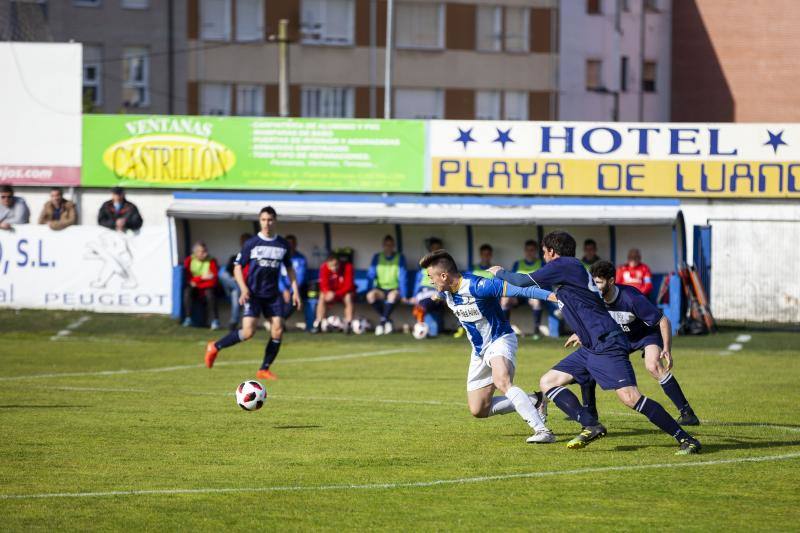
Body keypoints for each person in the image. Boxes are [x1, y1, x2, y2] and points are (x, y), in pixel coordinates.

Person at [490, 231, 701, 455]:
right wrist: (580, 332)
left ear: (552, 252)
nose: (544, 257)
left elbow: (523, 280)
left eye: (544, 252)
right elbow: (542, 293)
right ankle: (591, 424)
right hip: (591, 346)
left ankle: (685, 439)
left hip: (607, 344)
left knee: (630, 398)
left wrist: (499, 272)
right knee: (548, 381)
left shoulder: (566, 264)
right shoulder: (567, 277)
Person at [419, 249, 556, 444]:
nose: (430, 281)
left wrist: (555, 298)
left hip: (500, 340)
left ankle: (542, 431)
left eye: (431, 276)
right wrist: (434, 298)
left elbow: (522, 290)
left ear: (444, 275)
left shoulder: (479, 286)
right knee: (478, 410)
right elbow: (443, 298)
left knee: (502, 382)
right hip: (479, 351)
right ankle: (536, 400)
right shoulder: (447, 291)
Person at [567, 261, 699, 426]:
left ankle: (687, 412)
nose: (596, 287)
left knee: (653, 366)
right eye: (594, 282)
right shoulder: (595, 298)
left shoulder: (631, 298)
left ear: (611, 281)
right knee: (592, 363)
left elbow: (663, 320)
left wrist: (666, 348)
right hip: (619, 338)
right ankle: (590, 412)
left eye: (599, 282)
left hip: (645, 336)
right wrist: (579, 333)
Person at [205, 206, 301, 381]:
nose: (266, 223)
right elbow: (237, 267)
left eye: (270, 220)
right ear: (259, 220)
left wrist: (295, 291)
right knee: (248, 332)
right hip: (254, 294)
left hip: (272, 295)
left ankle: (264, 369)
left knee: (278, 329)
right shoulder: (252, 243)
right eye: (263, 220)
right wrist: (243, 288)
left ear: (275, 221)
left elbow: (289, 269)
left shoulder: (282, 244)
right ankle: (215, 346)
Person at [500, 239, 545, 340]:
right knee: (504, 300)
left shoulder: (541, 264)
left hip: (533, 293)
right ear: (525, 251)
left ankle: (536, 330)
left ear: (536, 251)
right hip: (518, 294)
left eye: (532, 250)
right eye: (528, 250)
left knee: (536, 302)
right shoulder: (518, 264)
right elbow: (511, 280)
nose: (530, 252)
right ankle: (505, 329)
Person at [366, 235, 408, 335]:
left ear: (394, 246)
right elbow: (371, 274)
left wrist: (404, 295)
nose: (388, 247)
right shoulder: (377, 257)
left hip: (394, 289)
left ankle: (381, 323)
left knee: (392, 297)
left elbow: (403, 277)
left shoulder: (400, 257)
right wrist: (368, 289)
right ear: (383, 245)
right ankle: (387, 320)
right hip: (380, 289)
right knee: (370, 296)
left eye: (390, 245)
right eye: (386, 245)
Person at [312, 252, 355, 333]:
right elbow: (323, 285)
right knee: (321, 296)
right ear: (327, 264)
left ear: (339, 263)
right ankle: (318, 323)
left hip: (343, 292)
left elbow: (349, 286)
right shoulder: (324, 267)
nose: (334, 268)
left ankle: (348, 324)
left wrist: (336, 294)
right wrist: (327, 292)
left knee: (348, 297)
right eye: (331, 266)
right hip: (331, 293)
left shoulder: (348, 267)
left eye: (336, 265)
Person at [182, 241, 221, 330]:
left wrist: (197, 281)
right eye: (202, 251)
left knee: (210, 294)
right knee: (187, 291)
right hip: (195, 288)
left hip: (206, 287)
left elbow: (213, 279)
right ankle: (188, 318)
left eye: (206, 251)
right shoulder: (189, 260)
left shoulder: (212, 260)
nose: (205, 253)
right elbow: (188, 279)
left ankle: (215, 321)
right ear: (195, 253)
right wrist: (202, 277)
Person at [411, 237, 445, 334]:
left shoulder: (444, 264)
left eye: (438, 248)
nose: (435, 251)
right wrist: (414, 296)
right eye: (433, 248)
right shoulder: (424, 263)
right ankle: (421, 327)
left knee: (426, 305)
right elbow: (418, 281)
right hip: (423, 292)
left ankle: (422, 328)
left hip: (436, 292)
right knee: (421, 305)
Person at [218, 233, 251, 331]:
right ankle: (234, 322)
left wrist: (241, 281)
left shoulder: (254, 259)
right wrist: (234, 277)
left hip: (245, 287)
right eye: (243, 242)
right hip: (232, 286)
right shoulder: (235, 257)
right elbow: (227, 272)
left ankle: (233, 322)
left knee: (236, 293)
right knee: (222, 273)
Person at [280, 234, 308, 320]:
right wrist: (284, 290)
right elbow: (278, 277)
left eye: (292, 243)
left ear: (295, 244)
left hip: (295, 289)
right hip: (281, 289)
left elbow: (300, 278)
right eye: (288, 244)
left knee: (294, 300)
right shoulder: (279, 258)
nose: (290, 246)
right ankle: (278, 322)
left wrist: (292, 291)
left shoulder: (301, 259)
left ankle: (280, 321)